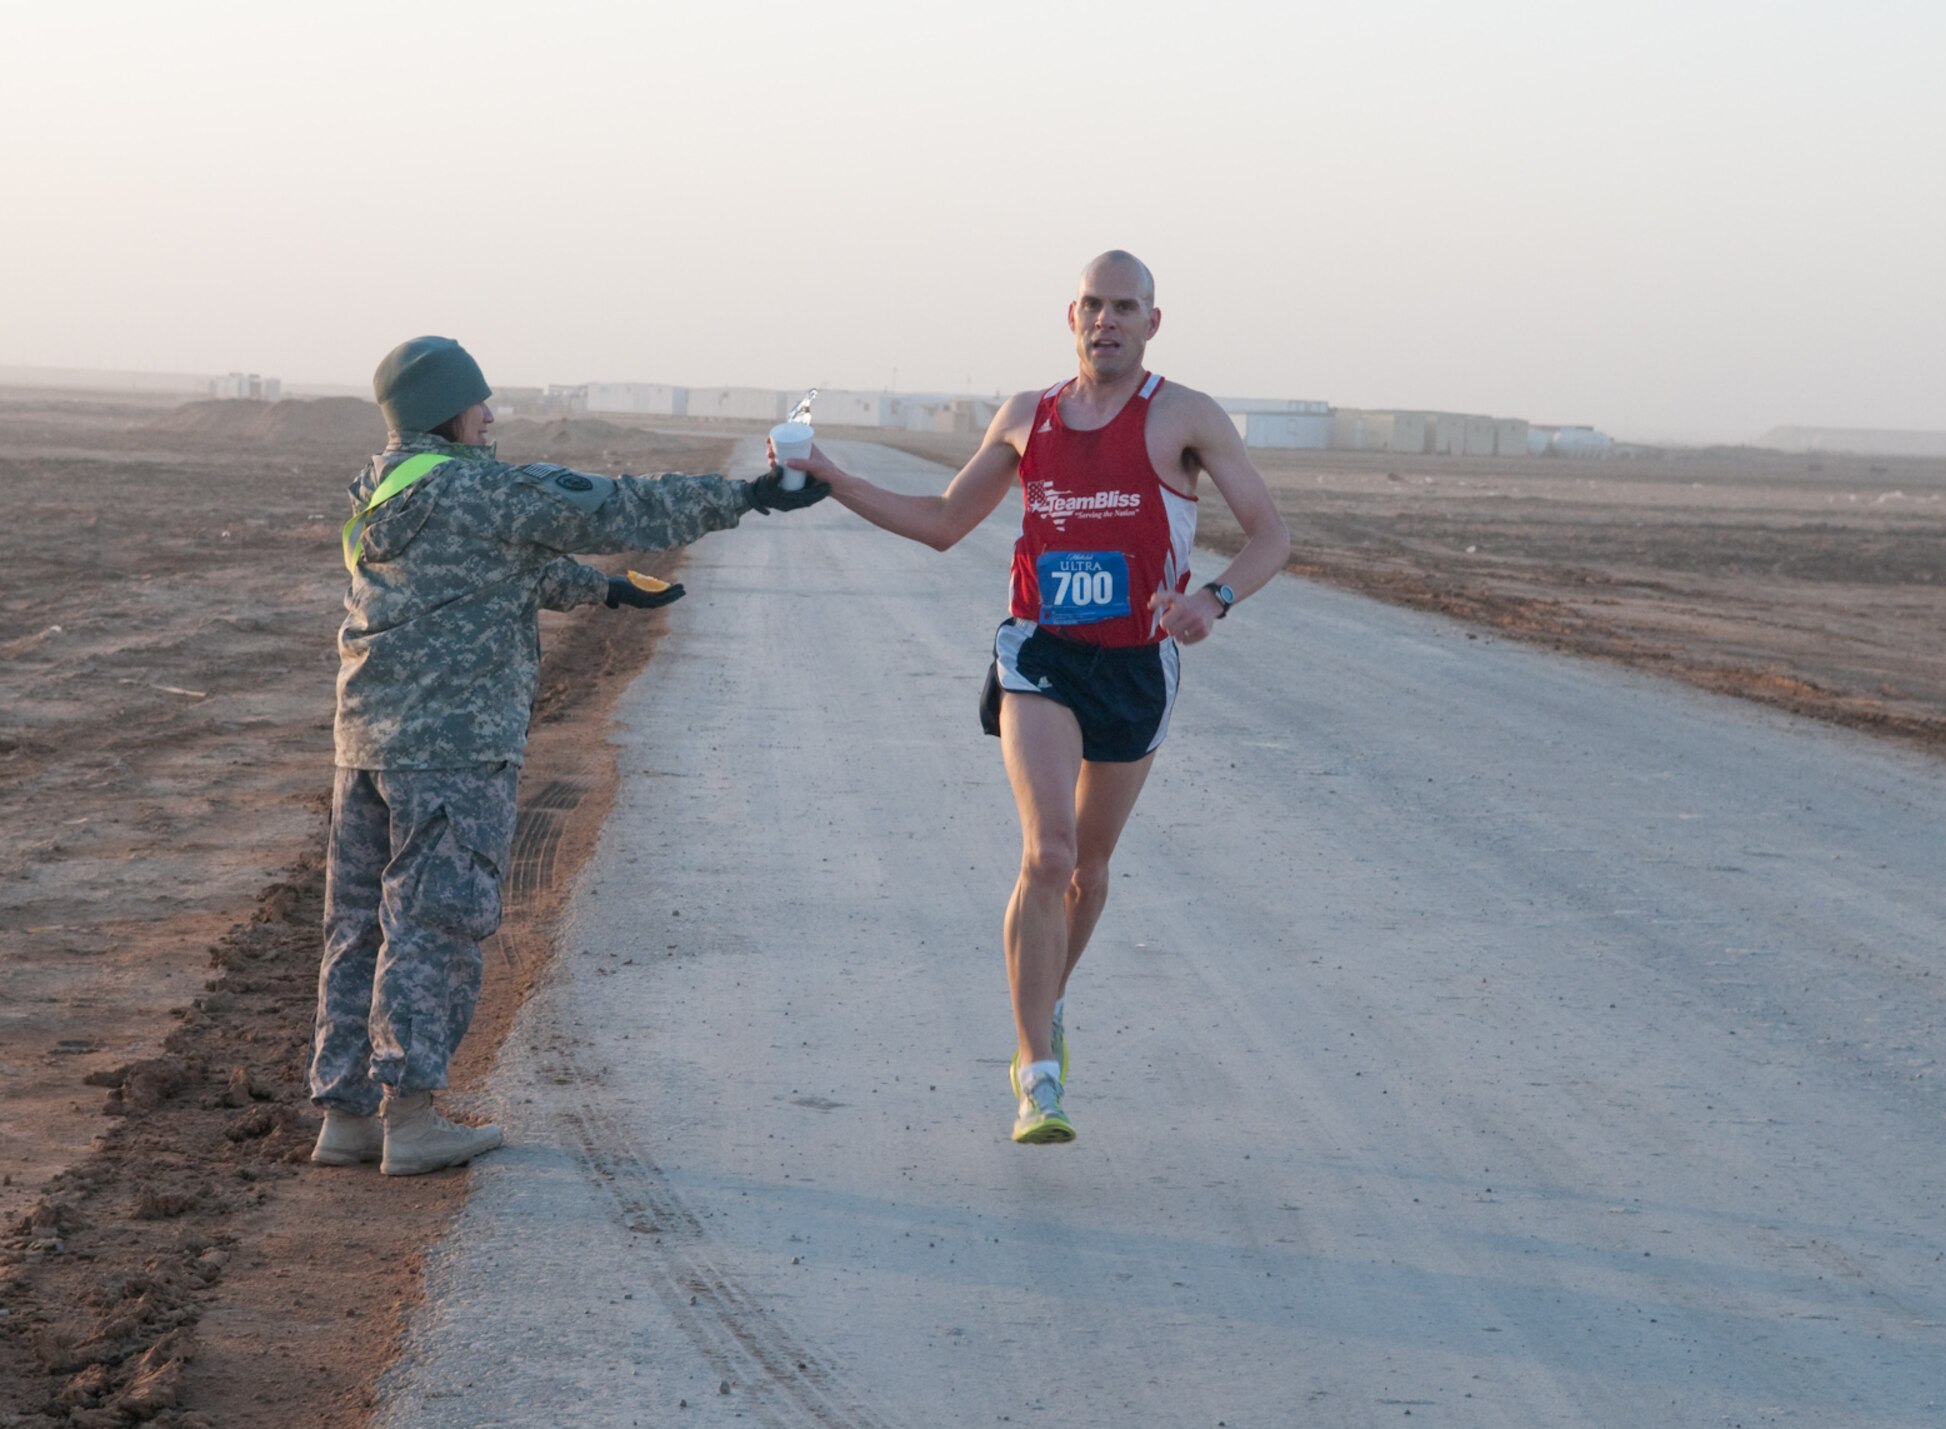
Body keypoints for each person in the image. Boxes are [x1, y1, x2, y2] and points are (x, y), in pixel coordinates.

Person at [780, 252, 1290, 1143]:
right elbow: (943, 523)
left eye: (1125, 307)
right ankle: (1037, 1074)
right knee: (1047, 855)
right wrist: (836, 477)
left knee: (1089, 873)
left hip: (1138, 664)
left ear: (1152, 323)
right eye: (1093, 304)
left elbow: (1272, 534)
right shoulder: (1027, 416)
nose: (1107, 320)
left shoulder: (1184, 416)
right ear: (1071, 315)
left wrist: (1212, 598)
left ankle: (1041, 1003)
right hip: (1041, 654)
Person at [311, 335, 828, 1175]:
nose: (492, 415)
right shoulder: (487, 487)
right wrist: (746, 497)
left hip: (363, 743)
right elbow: (617, 507)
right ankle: (411, 1119)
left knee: (358, 924)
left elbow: (484, 577)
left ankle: (345, 1116)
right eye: (481, 401)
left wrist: (605, 589)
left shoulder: (381, 492)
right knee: (432, 924)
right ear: (449, 407)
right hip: (455, 748)